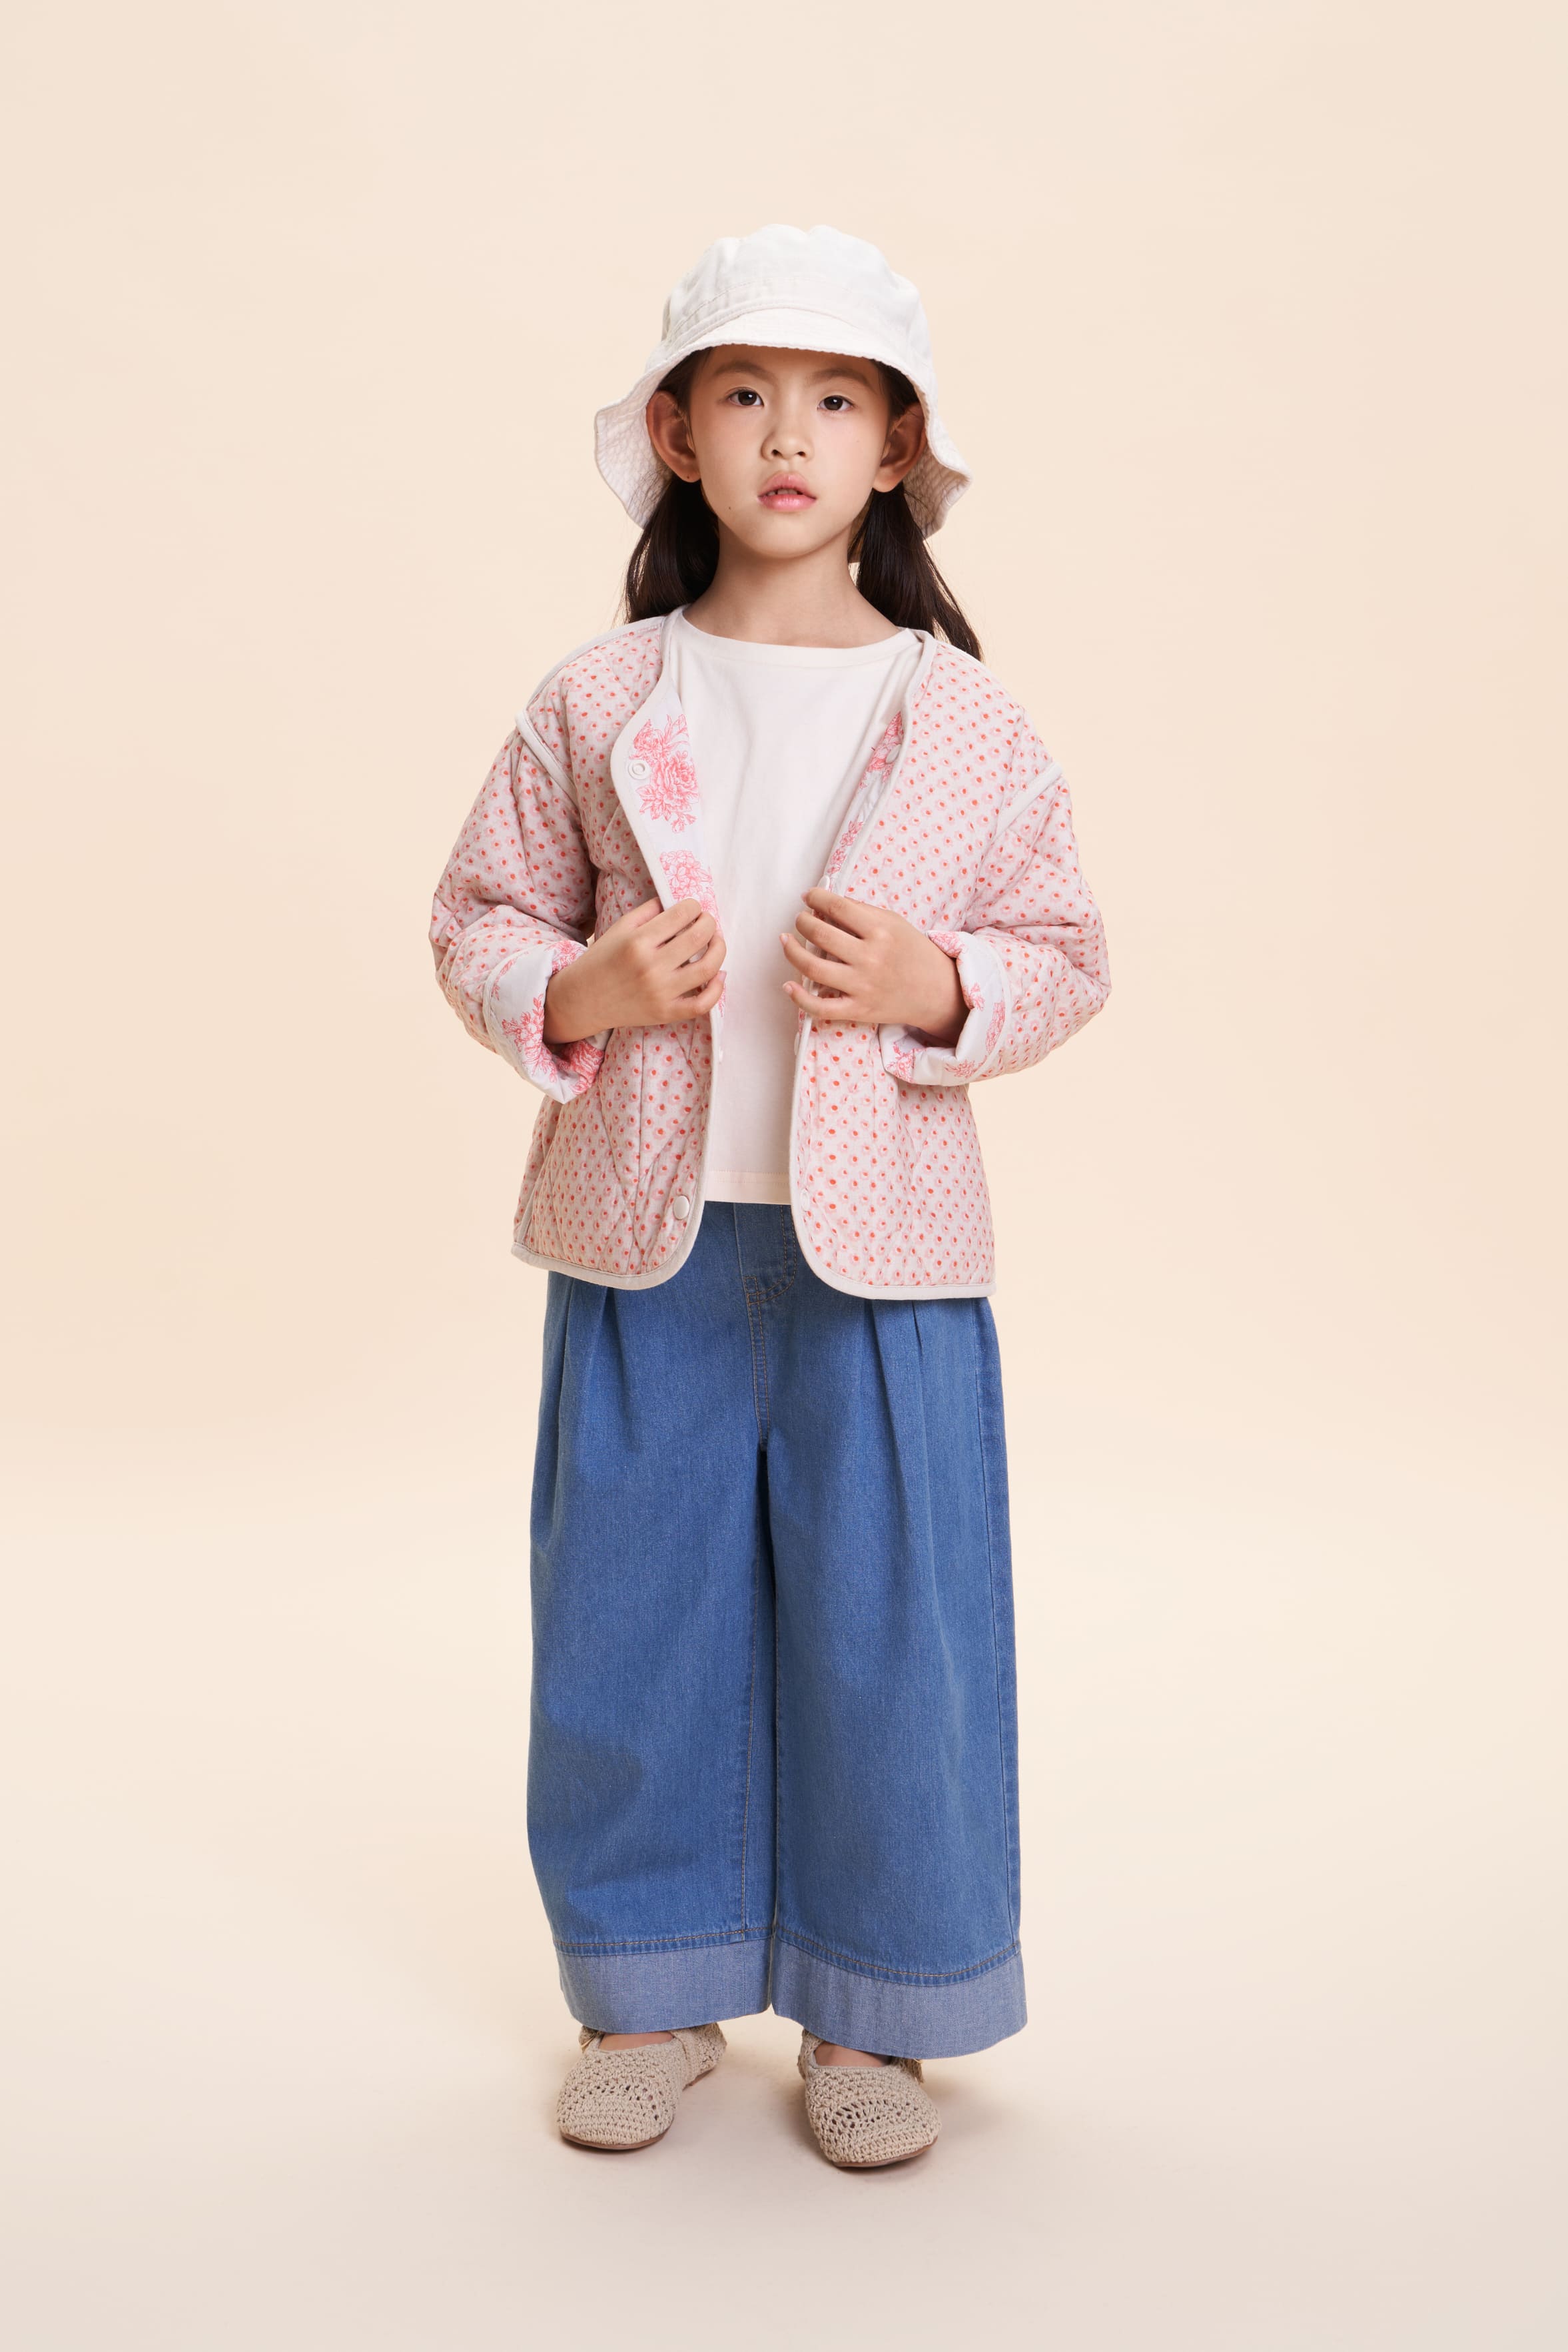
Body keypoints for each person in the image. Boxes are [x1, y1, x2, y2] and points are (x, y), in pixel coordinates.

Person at [429, 224, 1110, 2168]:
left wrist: (938, 984)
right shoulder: (595, 697)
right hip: (641, 1236)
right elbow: (477, 913)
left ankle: (877, 2007)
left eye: (833, 400)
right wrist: (578, 989)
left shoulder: (963, 716)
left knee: (895, 1624)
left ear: (897, 450)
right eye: (743, 394)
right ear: (677, 434)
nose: (787, 437)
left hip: (882, 1255)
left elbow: (1065, 948)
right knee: (628, 1613)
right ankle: (643, 1985)